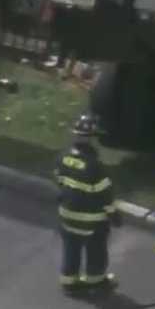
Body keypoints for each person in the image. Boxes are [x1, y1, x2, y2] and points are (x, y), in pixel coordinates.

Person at [54, 114, 119, 293]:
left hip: (66, 215)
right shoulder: (95, 166)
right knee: (96, 252)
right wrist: (114, 215)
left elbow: (59, 180)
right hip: (92, 221)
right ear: (91, 139)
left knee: (71, 249)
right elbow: (105, 195)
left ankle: (69, 283)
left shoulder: (62, 157)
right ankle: (95, 282)